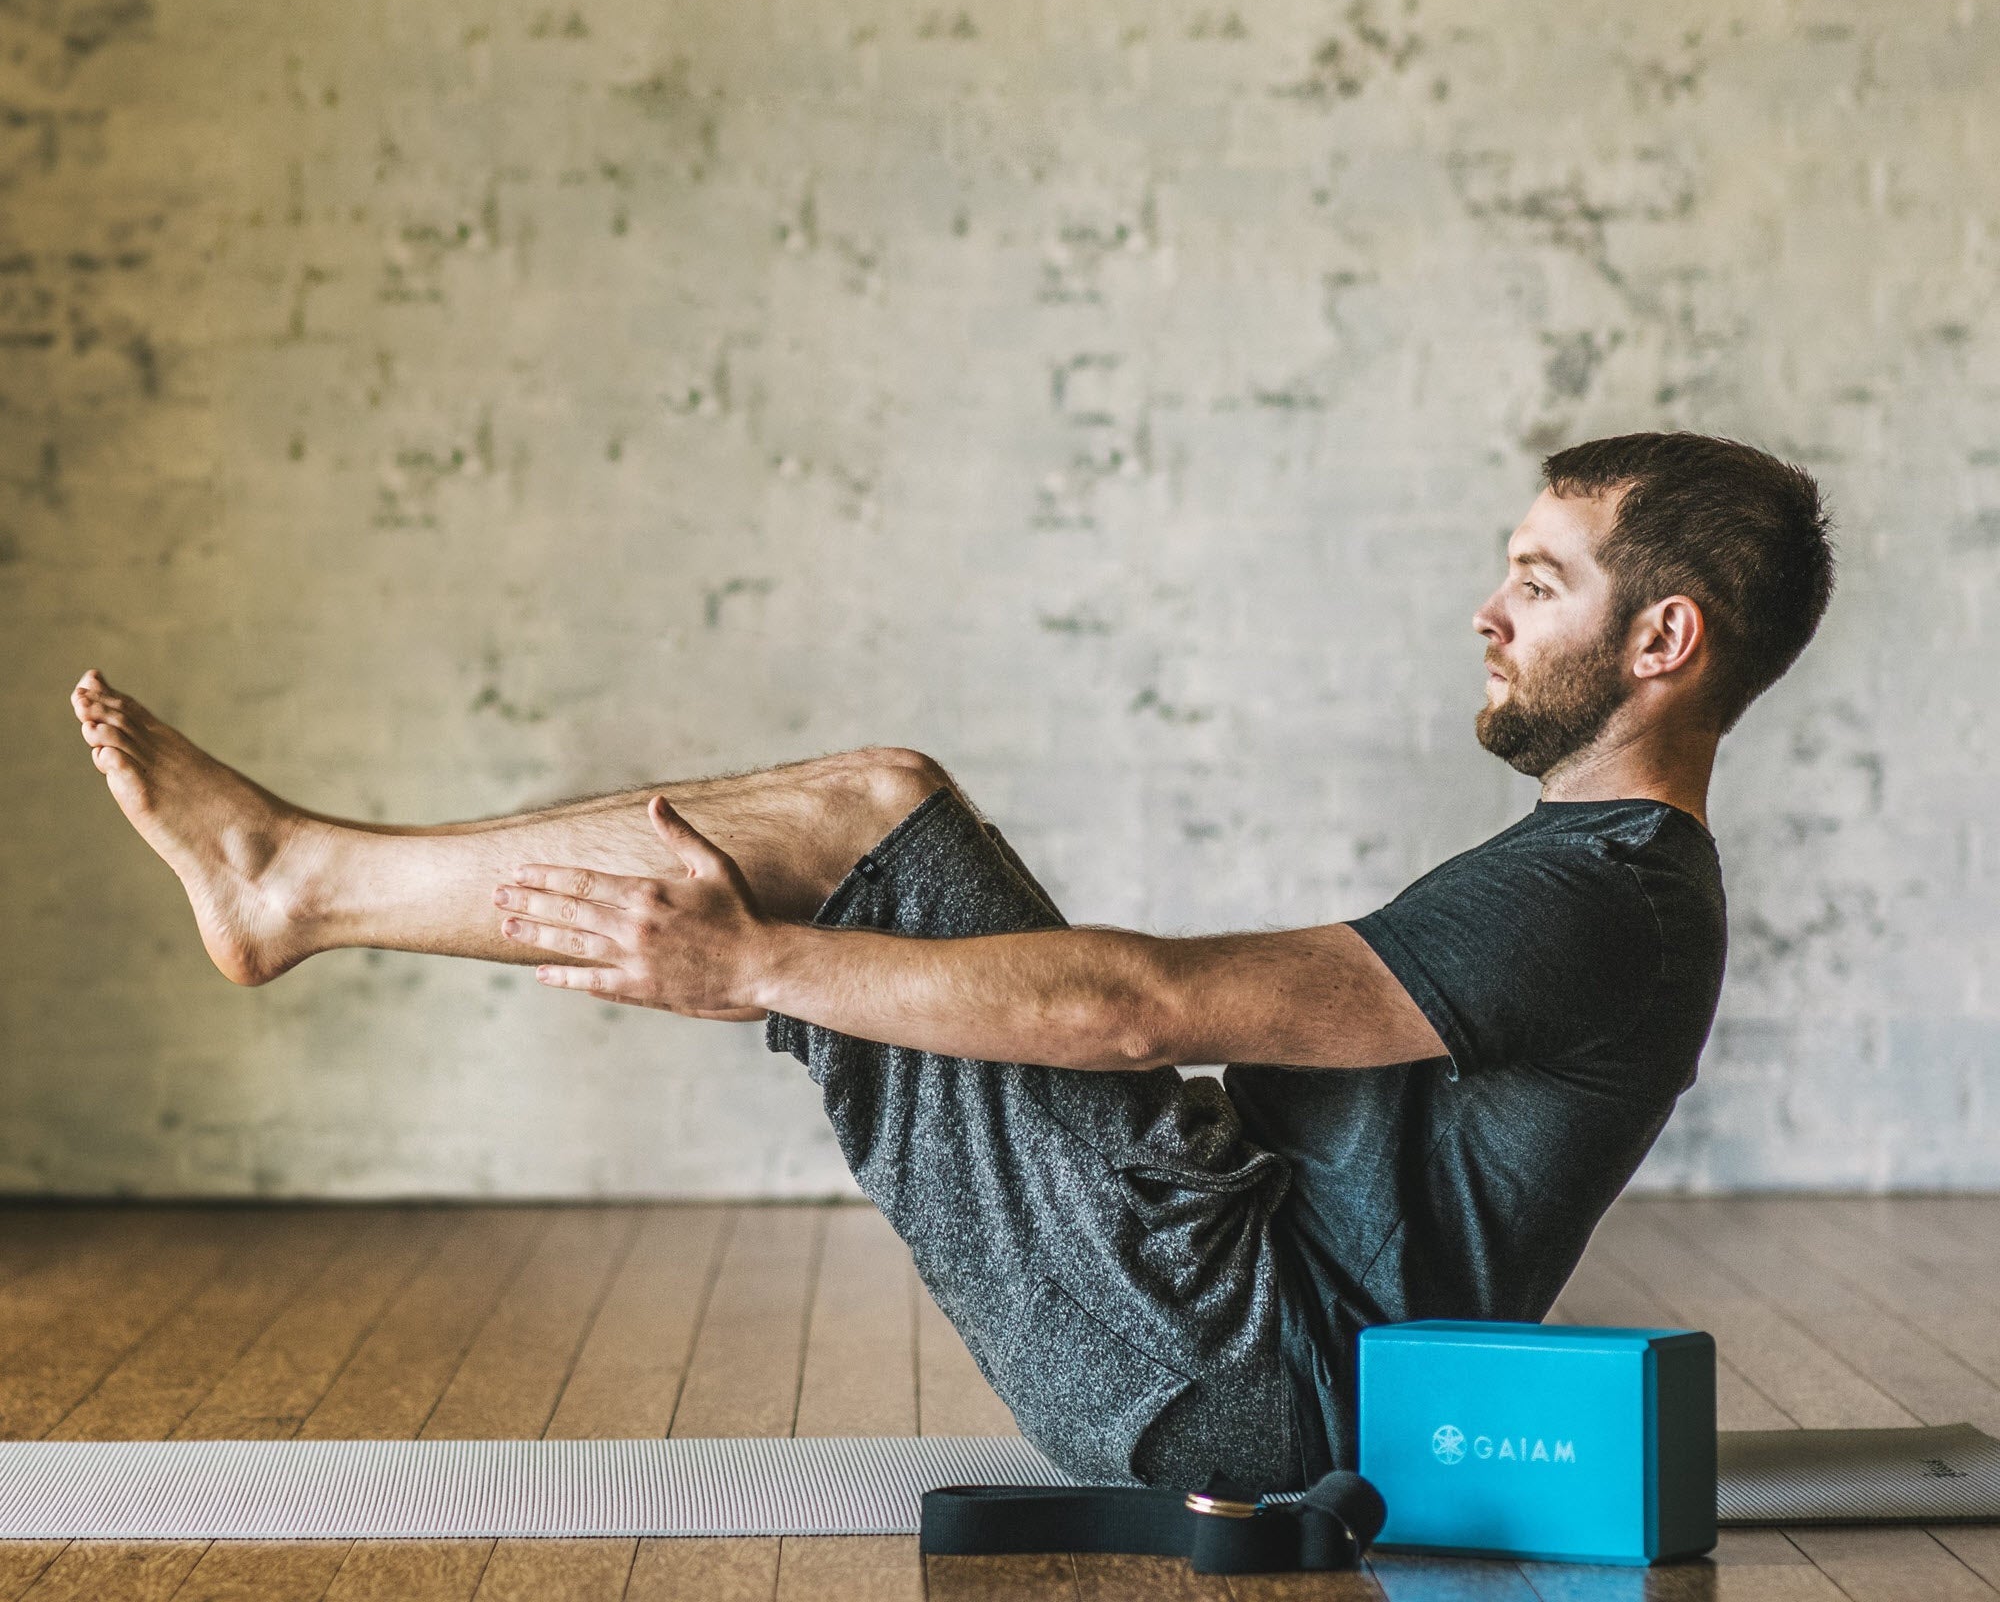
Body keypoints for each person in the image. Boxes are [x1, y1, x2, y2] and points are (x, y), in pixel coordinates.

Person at [69, 431, 1834, 1491]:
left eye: (1538, 579)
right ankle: (291, 879)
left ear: (1661, 636)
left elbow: (1134, 1007)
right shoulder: (1602, 876)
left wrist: (751, 968)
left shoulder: (1603, 895)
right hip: (1235, 1326)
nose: (1490, 610)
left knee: (870, 812)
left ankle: (290, 882)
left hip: (1248, 1374)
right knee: (870, 809)